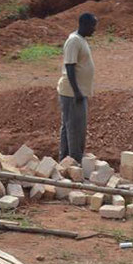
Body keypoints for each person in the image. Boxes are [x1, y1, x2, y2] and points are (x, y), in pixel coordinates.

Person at [57, 12, 96, 161]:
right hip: (72, 93)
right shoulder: (73, 41)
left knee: (69, 127)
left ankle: (65, 162)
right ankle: (74, 162)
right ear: (84, 25)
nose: (94, 29)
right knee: (75, 129)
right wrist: (77, 91)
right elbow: (70, 66)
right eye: (93, 26)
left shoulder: (81, 40)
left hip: (76, 92)